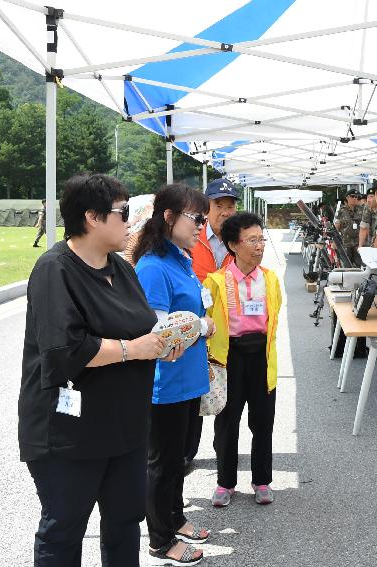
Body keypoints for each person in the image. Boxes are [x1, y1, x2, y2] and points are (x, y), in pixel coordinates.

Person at [19, 173, 174, 566]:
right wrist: (133, 349)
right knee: (64, 530)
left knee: (125, 524)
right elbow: (64, 349)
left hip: (125, 428)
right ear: (92, 216)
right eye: (123, 213)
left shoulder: (120, 269)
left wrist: (161, 343)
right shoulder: (55, 269)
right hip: (71, 433)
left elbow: (141, 327)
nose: (131, 222)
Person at [133, 184, 218, 567]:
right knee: (163, 464)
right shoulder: (153, 266)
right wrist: (202, 325)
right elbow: (160, 332)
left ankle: (176, 517)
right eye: (196, 218)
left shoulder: (181, 258)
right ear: (168, 217)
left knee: (180, 459)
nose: (202, 226)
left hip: (188, 380)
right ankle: (160, 538)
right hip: (166, 385)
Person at [204, 212, 282, 507]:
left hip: (261, 357)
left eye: (262, 238)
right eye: (252, 240)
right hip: (230, 357)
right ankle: (225, 482)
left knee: (263, 422)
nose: (260, 245)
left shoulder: (271, 280)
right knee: (227, 422)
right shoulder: (216, 283)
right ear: (233, 245)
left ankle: (262, 481)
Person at [182, 177, 238, 476]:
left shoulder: (239, 239)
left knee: (224, 395)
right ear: (207, 207)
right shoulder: (192, 235)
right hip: (196, 329)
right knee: (193, 396)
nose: (226, 211)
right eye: (219, 205)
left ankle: (225, 461)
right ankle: (185, 455)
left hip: (229, 332)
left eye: (231, 205)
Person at [334, 188, 363, 266]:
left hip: (358, 244)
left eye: (356, 197)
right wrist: (334, 242)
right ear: (347, 198)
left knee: (359, 266)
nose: (355, 198)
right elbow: (337, 227)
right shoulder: (341, 211)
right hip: (346, 244)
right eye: (352, 196)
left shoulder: (361, 210)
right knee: (347, 267)